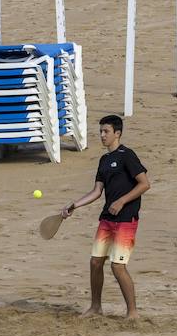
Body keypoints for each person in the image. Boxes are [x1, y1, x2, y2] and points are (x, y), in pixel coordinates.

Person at [60, 114, 150, 319]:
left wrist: (122, 201)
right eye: (100, 131)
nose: (101, 135)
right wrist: (73, 205)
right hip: (107, 219)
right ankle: (95, 307)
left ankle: (133, 312)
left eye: (105, 131)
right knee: (95, 262)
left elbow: (144, 184)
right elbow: (96, 191)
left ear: (117, 133)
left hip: (126, 219)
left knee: (117, 266)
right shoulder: (104, 160)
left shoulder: (127, 155)